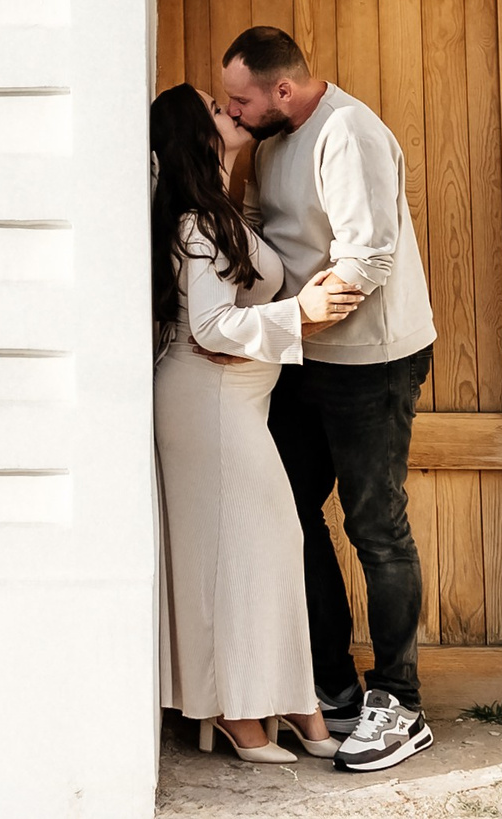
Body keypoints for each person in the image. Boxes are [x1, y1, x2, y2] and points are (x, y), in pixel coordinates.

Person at [220, 25, 440, 774]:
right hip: (300, 355)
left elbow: (368, 254)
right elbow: (259, 231)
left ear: (283, 88)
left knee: (376, 524)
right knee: (288, 509)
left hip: (371, 360)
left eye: (241, 99)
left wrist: (297, 314)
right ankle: (334, 679)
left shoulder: (347, 131)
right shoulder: (270, 138)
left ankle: (399, 703)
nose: (234, 111)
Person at [150, 83, 366, 765]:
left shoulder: (222, 212)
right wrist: (300, 311)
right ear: (197, 136)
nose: (232, 110)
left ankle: (293, 702)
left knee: (265, 552)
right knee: (245, 556)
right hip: (207, 401)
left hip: (237, 398)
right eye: (217, 108)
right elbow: (212, 327)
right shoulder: (194, 222)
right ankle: (244, 713)